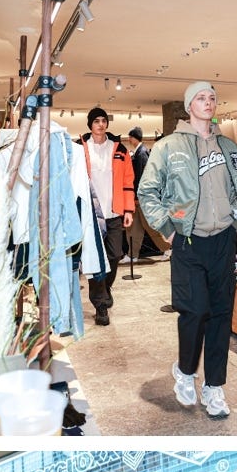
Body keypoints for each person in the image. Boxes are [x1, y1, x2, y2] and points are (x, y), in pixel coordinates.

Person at [138, 81, 237, 420]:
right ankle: (186, 371)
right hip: (187, 240)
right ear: (189, 106)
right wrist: (168, 229)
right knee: (194, 310)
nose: (208, 102)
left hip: (223, 240)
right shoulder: (168, 147)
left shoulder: (228, 145)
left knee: (221, 315)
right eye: (201, 98)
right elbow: (148, 192)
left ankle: (215, 385)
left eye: (213, 97)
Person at [77, 107, 135, 326]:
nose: (101, 124)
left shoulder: (120, 149)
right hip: (90, 215)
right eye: (96, 121)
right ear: (90, 124)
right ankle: (100, 305)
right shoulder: (80, 149)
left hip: (114, 213)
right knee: (94, 260)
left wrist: (128, 210)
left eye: (103, 121)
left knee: (115, 254)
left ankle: (106, 287)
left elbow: (128, 181)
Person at [127, 126, 172, 263]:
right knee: (135, 227)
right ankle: (132, 255)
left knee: (150, 225)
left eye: (130, 137)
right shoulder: (140, 152)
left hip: (143, 198)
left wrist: (139, 196)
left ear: (134, 138)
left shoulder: (142, 154)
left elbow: (143, 176)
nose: (129, 140)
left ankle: (168, 248)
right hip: (140, 197)